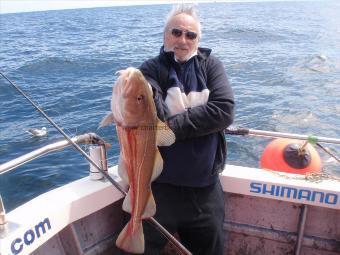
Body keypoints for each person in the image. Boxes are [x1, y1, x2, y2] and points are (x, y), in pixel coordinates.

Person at [139, 4, 234, 255]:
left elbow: (223, 110)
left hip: (205, 190)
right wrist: (197, 120)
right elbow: (151, 118)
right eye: (176, 32)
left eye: (190, 35)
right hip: (158, 189)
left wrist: (170, 128)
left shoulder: (211, 66)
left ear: (197, 40)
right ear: (164, 34)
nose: (183, 39)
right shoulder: (148, 71)